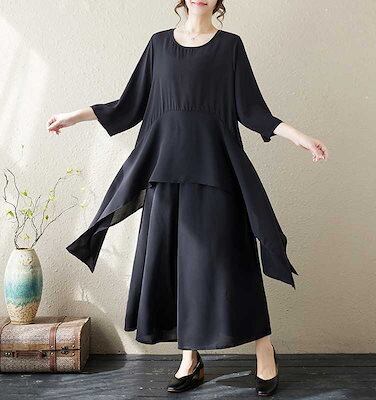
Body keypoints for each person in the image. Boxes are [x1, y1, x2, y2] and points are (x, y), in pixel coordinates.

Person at [47, 0, 328, 396]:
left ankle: (264, 349)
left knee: (232, 263)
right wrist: (74, 116)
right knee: (176, 266)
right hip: (165, 176)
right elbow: (129, 105)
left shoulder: (230, 47)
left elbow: (252, 110)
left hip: (216, 173)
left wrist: (299, 137)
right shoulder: (158, 45)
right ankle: (190, 358)